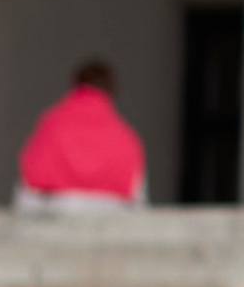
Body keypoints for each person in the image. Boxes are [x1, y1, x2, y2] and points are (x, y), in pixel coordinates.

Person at [16, 61, 146, 210]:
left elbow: (27, 189)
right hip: (108, 223)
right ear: (112, 90)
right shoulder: (126, 136)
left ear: (75, 84)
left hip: (56, 219)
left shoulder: (51, 124)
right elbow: (138, 203)